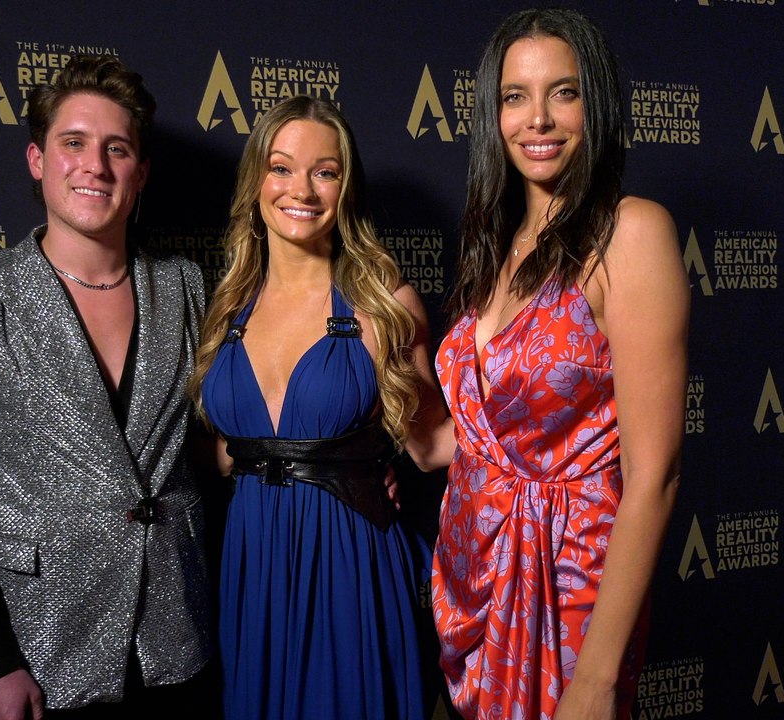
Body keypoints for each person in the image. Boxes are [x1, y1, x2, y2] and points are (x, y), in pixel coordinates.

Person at [0, 55, 214, 718]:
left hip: (176, 644)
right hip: (38, 650)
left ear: (141, 172)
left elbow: (224, 439)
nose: (95, 166)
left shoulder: (187, 287)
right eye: (72, 143)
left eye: (117, 149)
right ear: (37, 160)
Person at [431, 8, 689, 720]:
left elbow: (655, 475)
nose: (537, 119)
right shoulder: (496, 243)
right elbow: (469, 435)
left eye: (563, 93)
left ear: (596, 102)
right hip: (473, 577)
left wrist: (597, 678)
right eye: (515, 96)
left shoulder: (630, 233)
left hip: (568, 587)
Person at [189, 95, 452, 720]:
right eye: (281, 168)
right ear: (256, 181)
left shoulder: (385, 305)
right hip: (251, 562)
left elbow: (433, 444)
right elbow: (221, 451)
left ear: (345, 185)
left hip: (350, 559)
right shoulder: (224, 308)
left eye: (324, 171)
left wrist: (564, 423)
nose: (301, 189)